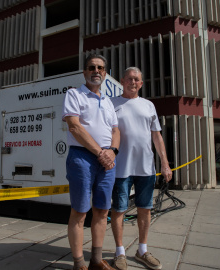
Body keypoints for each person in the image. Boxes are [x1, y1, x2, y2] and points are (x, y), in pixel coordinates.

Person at [110, 67, 173, 270]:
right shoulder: (112, 104)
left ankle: (142, 251)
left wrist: (165, 163)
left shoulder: (149, 105)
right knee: (119, 210)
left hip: (146, 168)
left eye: (137, 79)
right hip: (121, 169)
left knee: (145, 209)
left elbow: (157, 136)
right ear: (122, 81)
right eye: (129, 79)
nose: (133, 82)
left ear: (141, 83)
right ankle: (120, 252)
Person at [62, 54, 120, 270]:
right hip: (82, 157)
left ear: (105, 73)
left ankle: (96, 261)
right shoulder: (74, 94)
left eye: (101, 68)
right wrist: (101, 153)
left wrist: (112, 151)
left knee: (102, 210)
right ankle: (79, 264)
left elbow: (116, 130)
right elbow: (74, 127)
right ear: (85, 72)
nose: (97, 70)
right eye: (92, 67)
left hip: (107, 160)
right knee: (79, 211)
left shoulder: (107, 101)